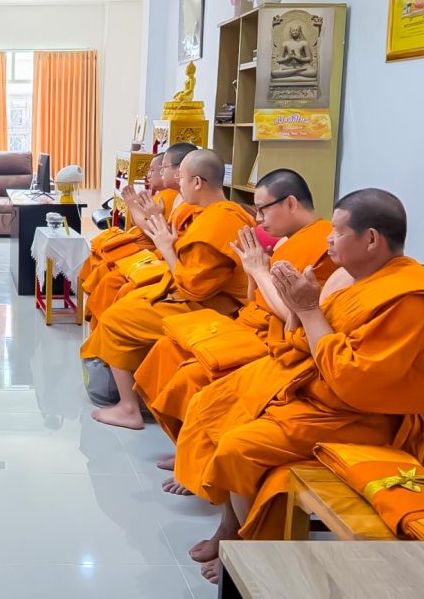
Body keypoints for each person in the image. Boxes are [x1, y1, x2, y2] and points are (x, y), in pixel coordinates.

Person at [173, 189, 424, 583]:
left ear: (370, 240)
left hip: (363, 419)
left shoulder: (410, 300)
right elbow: (310, 341)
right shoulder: (365, 280)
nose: (328, 240)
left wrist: (307, 309)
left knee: (238, 445)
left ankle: (255, 560)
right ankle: (231, 530)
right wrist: (299, 308)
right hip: (321, 394)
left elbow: (356, 381)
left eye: (337, 233)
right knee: (217, 400)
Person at [133, 169, 336, 493]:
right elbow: (256, 299)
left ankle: (201, 463)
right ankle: (190, 451)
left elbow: (298, 315)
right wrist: (254, 271)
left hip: (277, 341)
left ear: (290, 203)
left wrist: (259, 271)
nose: (258, 219)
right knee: (167, 350)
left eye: (263, 209)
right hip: (251, 322)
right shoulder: (290, 241)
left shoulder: (323, 250)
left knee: (193, 374)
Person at [81, 149, 254, 430]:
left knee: (115, 318)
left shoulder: (220, 220)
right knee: (125, 297)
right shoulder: (212, 213)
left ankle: (128, 408)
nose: (178, 184)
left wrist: (166, 247)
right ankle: (134, 391)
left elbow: (194, 287)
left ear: (197, 182)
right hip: (193, 294)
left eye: (181, 178)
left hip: (211, 308)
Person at [83, 144, 199, 325]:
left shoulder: (189, 205)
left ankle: (102, 323)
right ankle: (98, 322)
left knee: (114, 283)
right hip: (163, 259)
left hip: (168, 265)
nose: (154, 174)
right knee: (108, 271)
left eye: (163, 168)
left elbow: (160, 235)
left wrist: (141, 210)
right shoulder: (179, 198)